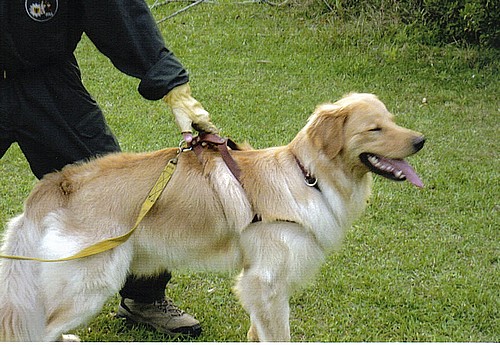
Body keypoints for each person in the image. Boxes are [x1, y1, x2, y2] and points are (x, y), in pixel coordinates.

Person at [0, 0, 219, 338]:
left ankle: (143, 298)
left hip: (49, 82)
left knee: (116, 192)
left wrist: (171, 84)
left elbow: (118, 11)